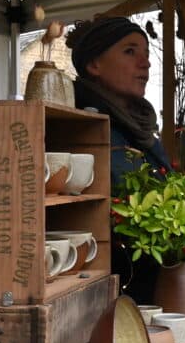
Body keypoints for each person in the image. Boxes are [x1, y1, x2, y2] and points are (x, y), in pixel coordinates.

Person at [65, 17, 171, 302]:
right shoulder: (82, 129)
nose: (146, 63)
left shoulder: (140, 131)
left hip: (150, 291)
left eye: (146, 53)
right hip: (109, 297)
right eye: (130, 51)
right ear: (94, 65)